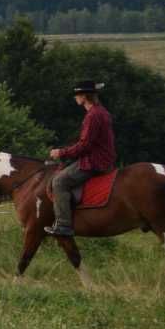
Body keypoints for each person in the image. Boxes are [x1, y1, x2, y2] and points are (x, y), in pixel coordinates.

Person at [45, 79, 115, 237]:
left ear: (84, 96)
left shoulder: (93, 116)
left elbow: (85, 146)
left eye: (77, 95)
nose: (75, 97)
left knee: (59, 181)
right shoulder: (101, 111)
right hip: (101, 157)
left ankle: (63, 225)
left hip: (94, 161)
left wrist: (61, 153)